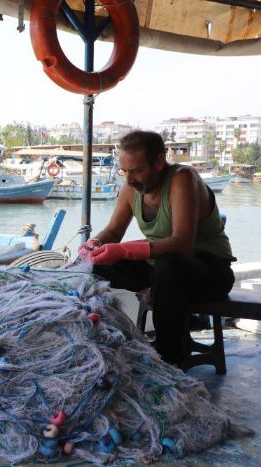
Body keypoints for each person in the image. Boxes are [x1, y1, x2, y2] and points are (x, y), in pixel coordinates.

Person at [79, 130, 235, 368]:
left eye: (137, 170)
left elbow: (182, 244)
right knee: (96, 265)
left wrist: (123, 251)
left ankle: (169, 357)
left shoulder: (183, 178)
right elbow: (112, 232)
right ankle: (101, 341)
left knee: (168, 264)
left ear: (159, 161)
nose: (129, 179)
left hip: (210, 272)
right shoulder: (131, 189)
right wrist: (94, 244)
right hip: (162, 270)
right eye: (125, 171)